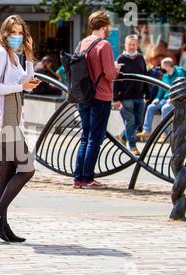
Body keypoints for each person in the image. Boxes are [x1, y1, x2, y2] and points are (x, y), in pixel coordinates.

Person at [0, 15, 40, 243]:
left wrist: (28, 56)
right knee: (27, 169)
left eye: (20, 33)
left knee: (6, 173)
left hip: (12, 119)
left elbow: (26, 82)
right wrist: (20, 86)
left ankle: (2, 227)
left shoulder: (13, 56)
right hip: (3, 120)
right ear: (4, 33)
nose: (16, 37)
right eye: (12, 33)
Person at [73, 11, 121, 189]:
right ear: (104, 26)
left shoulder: (83, 42)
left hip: (83, 95)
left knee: (85, 137)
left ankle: (78, 178)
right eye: (108, 25)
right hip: (100, 95)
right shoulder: (104, 45)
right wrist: (116, 69)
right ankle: (87, 179)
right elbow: (109, 74)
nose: (109, 28)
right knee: (95, 138)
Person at [113, 34, 149, 156]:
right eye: (130, 44)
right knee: (131, 122)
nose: (132, 47)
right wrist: (116, 98)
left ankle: (123, 135)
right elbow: (116, 80)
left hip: (139, 96)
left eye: (134, 44)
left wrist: (147, 94)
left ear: (137, 45)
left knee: (138, 122)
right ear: (126, 45)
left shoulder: (140, 58)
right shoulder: (121, 59)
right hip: (125, 97)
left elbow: (145, 77)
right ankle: (133, 146)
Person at [136, 57, 185, 143]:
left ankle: (165, 134)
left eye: (162, 65)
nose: (161, 67)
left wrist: (173, 97)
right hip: (165, 99)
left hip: (176, 99)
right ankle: (146, 130)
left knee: (165, 108)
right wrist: (157, 98)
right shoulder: (165, 76)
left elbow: (181, 87)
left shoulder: (179, 73)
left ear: (166, 66)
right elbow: (161, 90)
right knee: (151, 107)